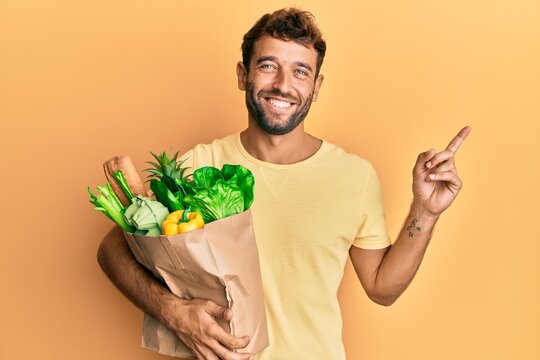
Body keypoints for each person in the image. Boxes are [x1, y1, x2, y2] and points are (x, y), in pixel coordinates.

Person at [97, 7, 471, 360]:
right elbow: (113, 248)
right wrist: (173, 312)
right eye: (268, 65)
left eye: (300, 72)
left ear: (317, 85)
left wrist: (425, 211)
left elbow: (382, 289)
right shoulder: (196, 166)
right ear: (243, 75)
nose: (283, 85)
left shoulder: (354, 176)